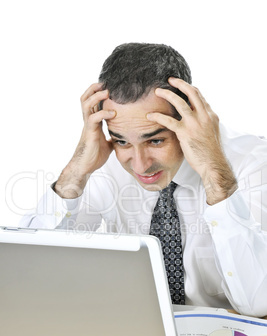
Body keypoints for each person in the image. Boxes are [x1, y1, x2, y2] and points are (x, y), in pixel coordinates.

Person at [20, 43, 267, 317]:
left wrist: (215, 174)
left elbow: (257, 303)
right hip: (130, 330)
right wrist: (76, 170)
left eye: (156, 140)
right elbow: (30, 275)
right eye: (122, 140)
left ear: (191, 117)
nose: (140, 165)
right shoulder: (106, 159)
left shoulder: (254, 162)